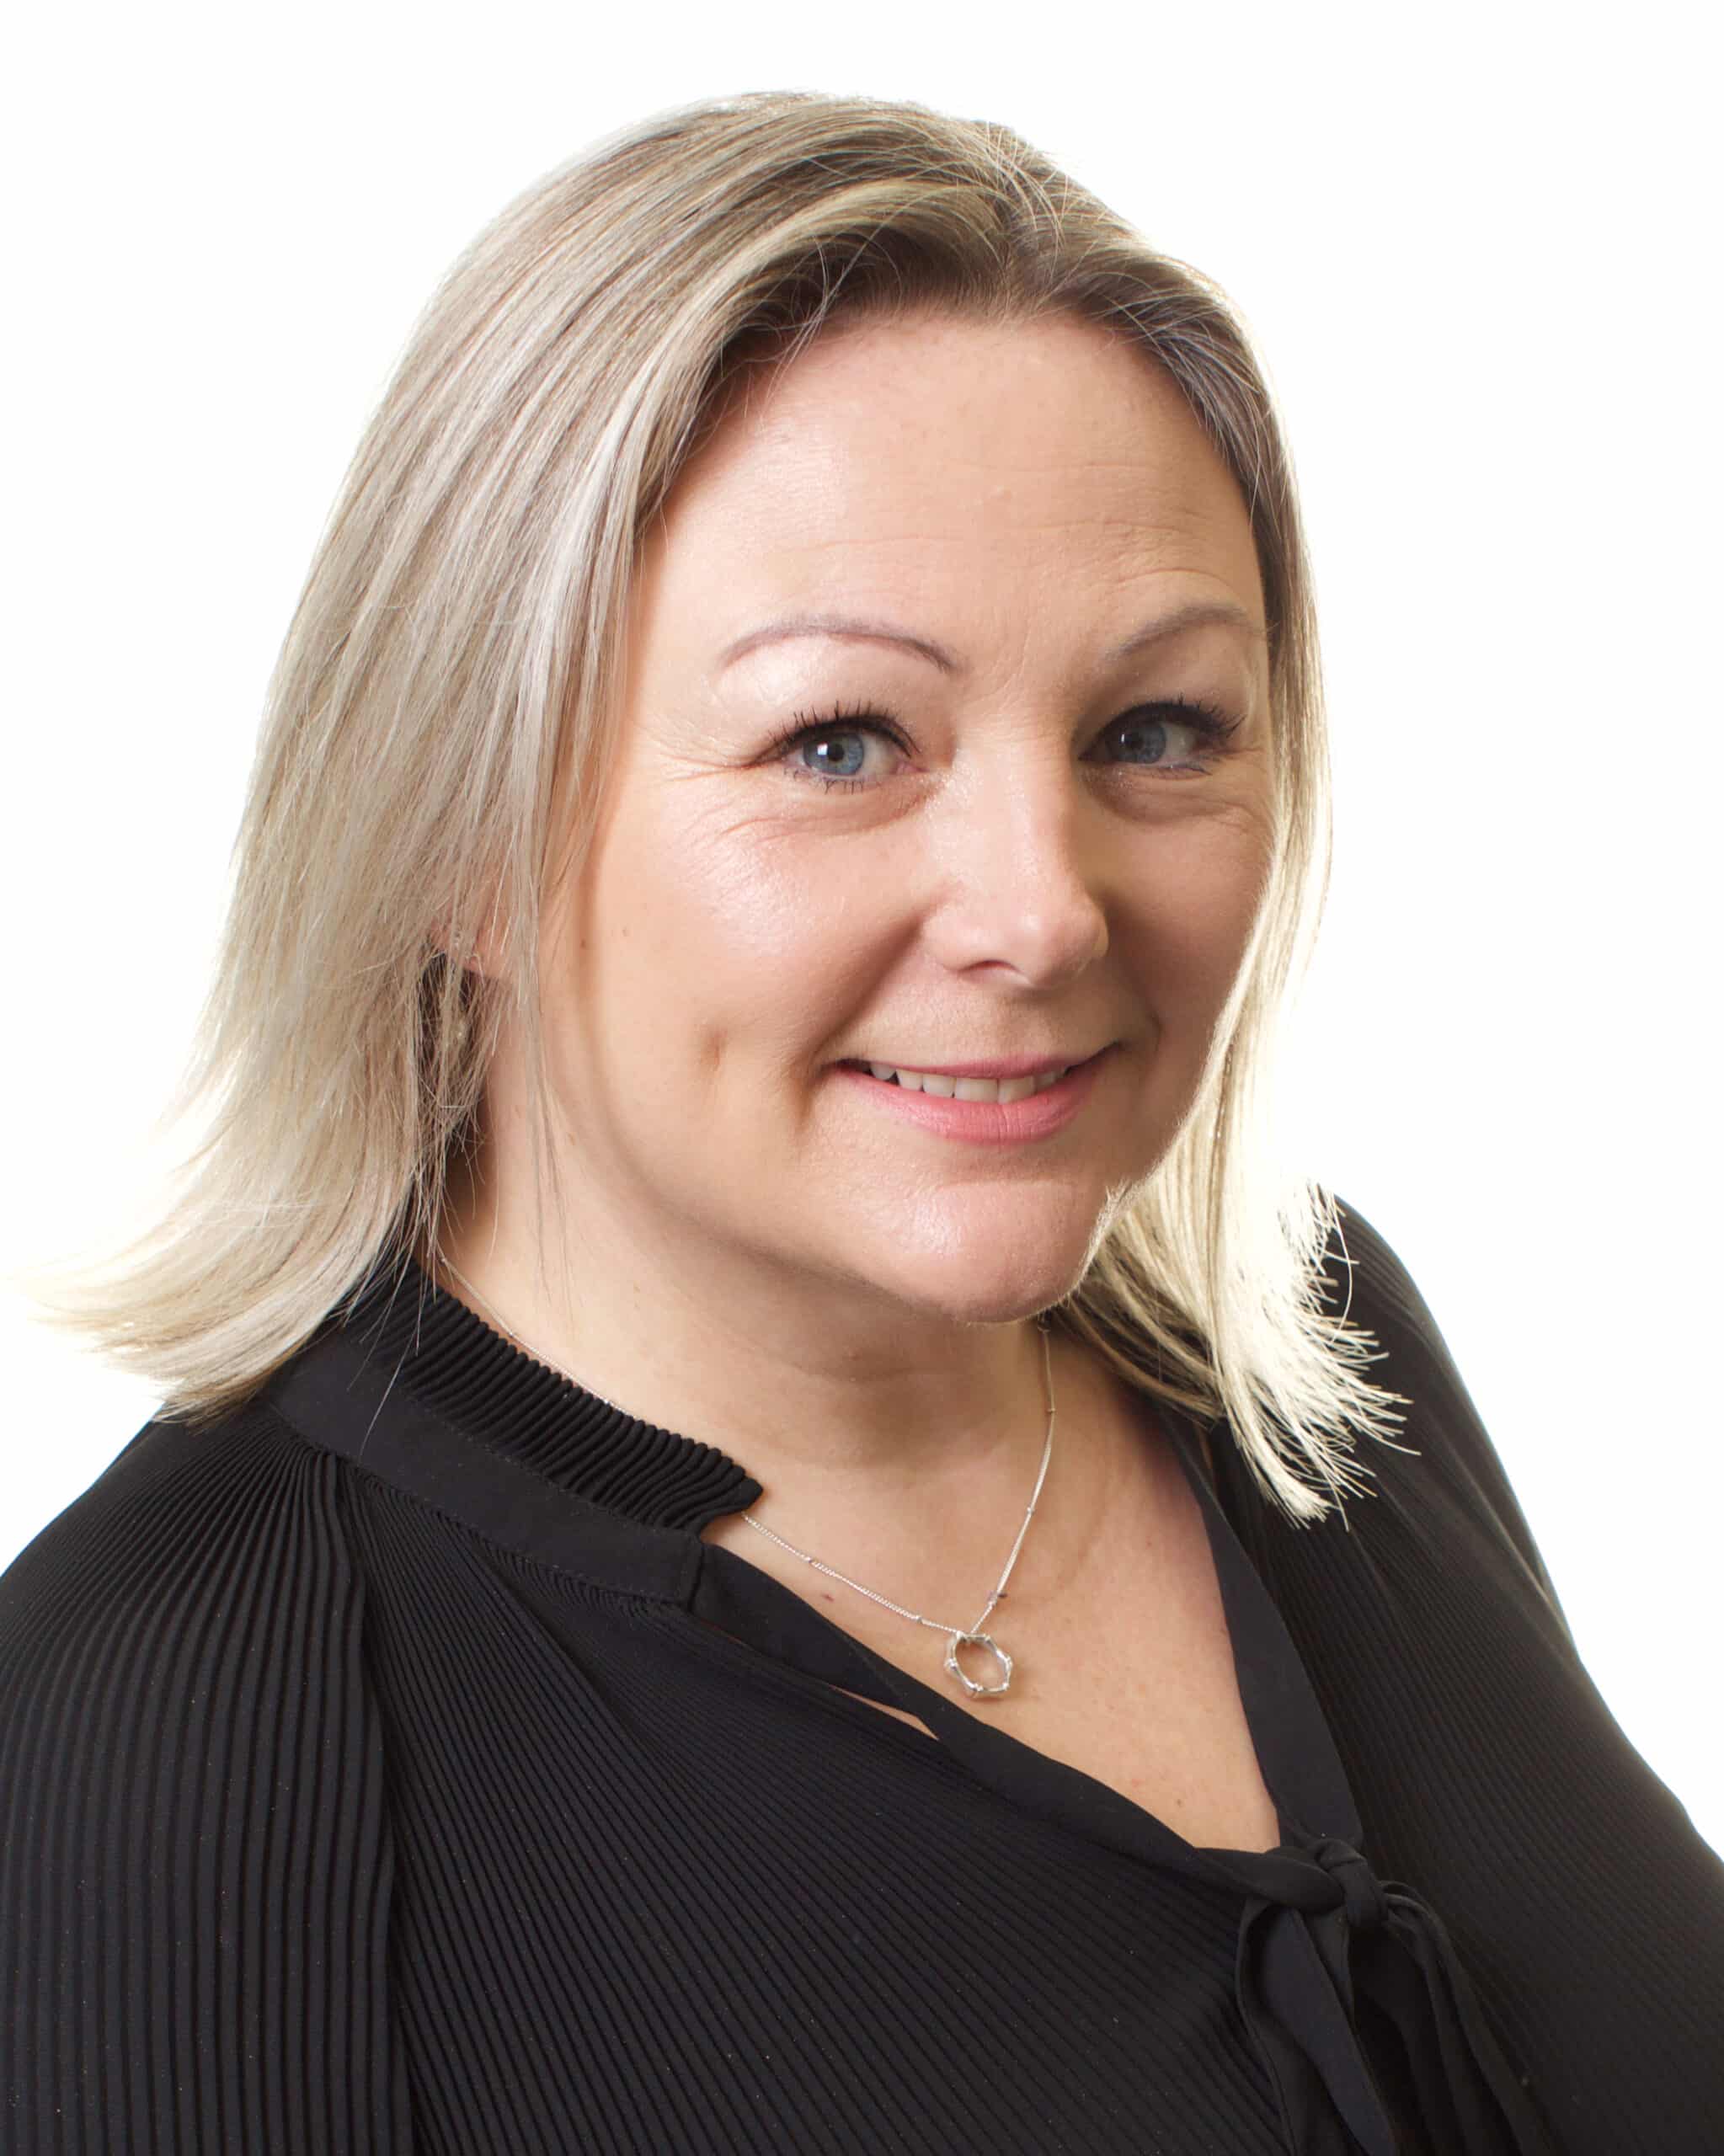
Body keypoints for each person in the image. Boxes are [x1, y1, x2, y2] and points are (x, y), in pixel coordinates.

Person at [2, 87, 1718, 2156]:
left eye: (1153, 727)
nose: (1043, 908)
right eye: (839, 742)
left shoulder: (1314, 1347)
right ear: (454, 828)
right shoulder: (144, 1757)